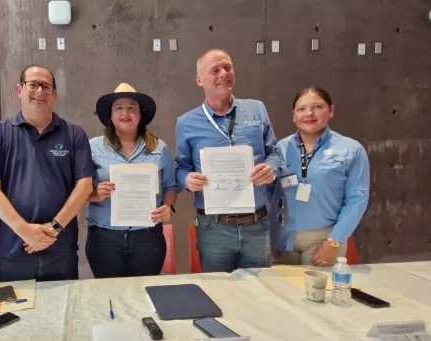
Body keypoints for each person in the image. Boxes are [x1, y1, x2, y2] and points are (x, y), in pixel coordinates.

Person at [0, 64, 94, 282]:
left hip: (61, 250)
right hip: (13, 250)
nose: (40, 91)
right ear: (19, 90)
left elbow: (84, 185)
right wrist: (24, 230)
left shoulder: (74, 134)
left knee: (64, 312)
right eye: (33, 85)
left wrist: (53, 229)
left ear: (54, 94)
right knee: (15, 313)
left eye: (46, 86)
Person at [175, 49, 280, 273]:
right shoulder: (186, 123)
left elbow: (275, 152)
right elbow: (181, 168)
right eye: (215, 70)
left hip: (256, 224)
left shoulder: (256, 109)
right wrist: (186, 179)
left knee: (258, 294)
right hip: (214, 227)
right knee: (217, 293)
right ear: (199, 80)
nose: (224, 73)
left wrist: (271, 168)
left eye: (228, 68)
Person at [269, 87, 369, 266]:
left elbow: (357, 200)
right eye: (301, 109)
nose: (309, 113)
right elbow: (268, 192)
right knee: (282, 292)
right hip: (282, 241)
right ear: (293, 115)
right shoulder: (279, 149)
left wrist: (334, 241)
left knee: (317, 292)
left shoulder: (351, 150)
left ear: (331, 110)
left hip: (323, 240)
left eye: (317, 107)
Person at [86, 83, 178, 278]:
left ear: (140, 114)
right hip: (104, 238)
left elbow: (170, 186)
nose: (125, 113)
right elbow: (78, 189)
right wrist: (95, 195)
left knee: (144, 295)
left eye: (131, 107)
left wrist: (168, 207)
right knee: (108, 294)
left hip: (148, 238)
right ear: (110, 115)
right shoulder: (93, 147)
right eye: (118, 107)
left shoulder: (159, 148)